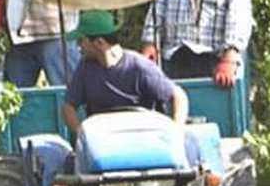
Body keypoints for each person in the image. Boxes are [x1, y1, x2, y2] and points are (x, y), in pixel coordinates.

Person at [61, 9, 189, 137]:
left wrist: (175, 133)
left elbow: (179, 96)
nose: (78, 46)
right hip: (103, 140)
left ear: (99, 43)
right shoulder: (85, 68)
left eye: (81, 41)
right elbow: (68, 107)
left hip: (141, 137)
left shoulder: (140, 67)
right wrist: (82, 135)